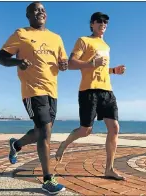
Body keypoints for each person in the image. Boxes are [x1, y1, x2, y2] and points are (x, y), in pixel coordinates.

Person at [0, 2, 68, 194]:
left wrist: (63, 65)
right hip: (32, 90)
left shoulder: (56, 38)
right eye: (36, 9)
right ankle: (48, 179)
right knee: (44, 131)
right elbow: (1, 58)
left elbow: (62, 62)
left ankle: (16, 144)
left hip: (52, 91)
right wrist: (18, 61)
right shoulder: (21, 34)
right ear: (28, 15)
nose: (40, 12)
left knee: (43, 132)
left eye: (43, 9)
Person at [55, 12, 126, 180]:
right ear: (92, 24)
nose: (103, 24)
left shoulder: (106, 46)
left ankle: (109, 169)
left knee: (114, 128)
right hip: (89, 90)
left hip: (107, 90)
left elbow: (101, 69)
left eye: (106, 22)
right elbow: (71, 64)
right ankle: (64, 144)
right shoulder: (83, 41)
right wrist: (91, 63)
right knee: (86, 130)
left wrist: (113, 71)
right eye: (99, 21)